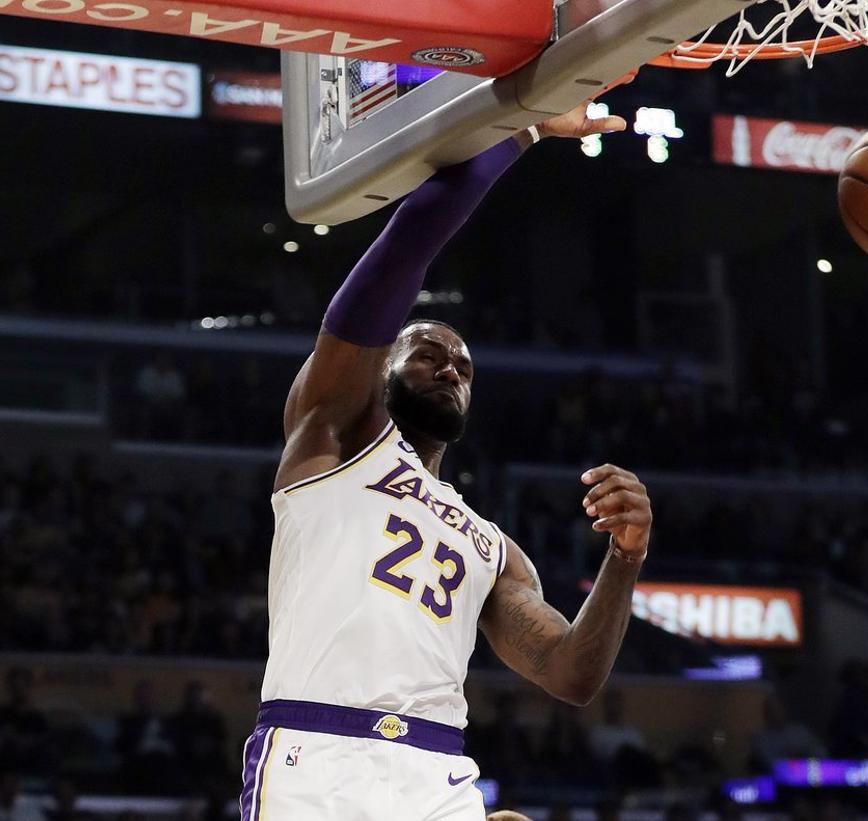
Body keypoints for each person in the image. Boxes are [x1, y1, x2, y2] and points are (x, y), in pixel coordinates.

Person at [241, 102, 650, 821]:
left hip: (436, 771)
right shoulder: (331, 434)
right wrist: (523, 126)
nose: (450, 366)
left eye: (462, 363)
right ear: (383, 367)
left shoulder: (492, 545)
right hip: (318, 754)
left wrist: (625, 559)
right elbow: (408, 247)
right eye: (427, 352)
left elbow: (571, 672)